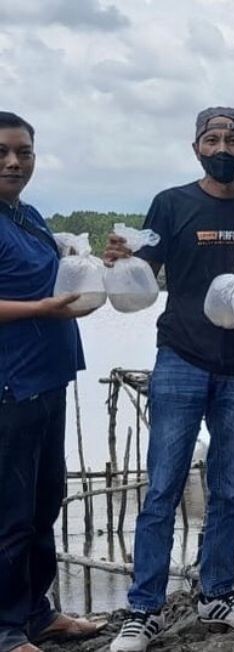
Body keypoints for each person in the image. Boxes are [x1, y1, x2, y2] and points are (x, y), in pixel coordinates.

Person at [105, 108, 234, 652]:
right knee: (162, 487)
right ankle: (144, 608)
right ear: (196, 147)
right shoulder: (172, 203)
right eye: (213, 138)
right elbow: (143, 272)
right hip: (181, 359)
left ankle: (217, 592)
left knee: (229, 487)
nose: (223, 147)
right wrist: (118, 259)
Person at [0, 111, 104, 652]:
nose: (14, 162)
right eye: (2, 153)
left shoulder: (28, 215)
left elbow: (54, 271)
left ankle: (36, 614)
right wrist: (41, 307)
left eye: (24, 152)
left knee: (45, 502)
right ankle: (4, 628)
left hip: (49, 377)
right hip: (10, 386)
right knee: (9, 512)